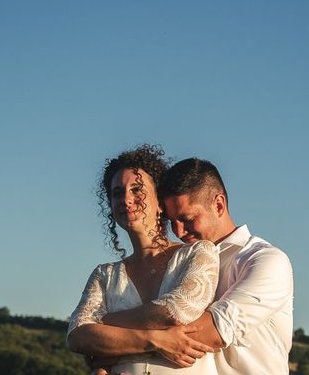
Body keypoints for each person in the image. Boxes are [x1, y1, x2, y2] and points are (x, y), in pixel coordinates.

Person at [76, 157, 294, 375]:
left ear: (219, 205)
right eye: (172, 221)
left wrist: (104, 329)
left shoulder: (264, 260)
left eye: (187, 218)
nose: (179, 231)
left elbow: (204, 333)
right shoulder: (185, 258)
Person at [67, 145, 221, 375]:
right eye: (117, 193)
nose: (126, 199)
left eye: (137, 189)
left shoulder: (198, 253)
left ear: (159, 201)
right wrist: (154, 340)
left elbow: (177, 311)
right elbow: (77, 335)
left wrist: (104, 325)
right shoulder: (105, 275)